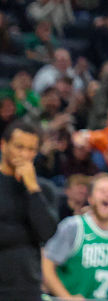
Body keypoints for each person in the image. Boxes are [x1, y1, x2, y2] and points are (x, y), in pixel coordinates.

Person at [43, 172, 108, 300]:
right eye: (101, 190)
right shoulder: (73, 226)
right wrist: (66, 297)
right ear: (91, 198)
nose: (107, 194)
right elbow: (47, 265)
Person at [0, 118, 59, 301]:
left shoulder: (44, 190)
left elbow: (47, 232)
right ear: (3, 145)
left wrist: (33, 189)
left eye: (31, 149)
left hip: (26, 286)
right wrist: (24, 235)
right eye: (19, 147)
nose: (25, 154)